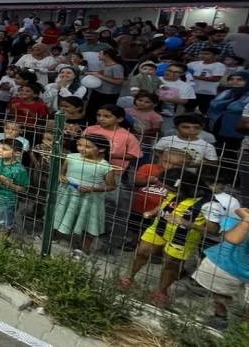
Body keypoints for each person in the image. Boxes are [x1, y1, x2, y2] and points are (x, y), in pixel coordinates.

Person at [121, 172, 220, 307]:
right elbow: (164, 204)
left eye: (169, 188)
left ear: (184, 187)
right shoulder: (173, 192)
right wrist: (153, 212)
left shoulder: (210, 204)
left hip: (182, 238)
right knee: (141, 252)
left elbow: (213, 230)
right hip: (158, 228)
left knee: (170, 264)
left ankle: (161, 292)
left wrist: (186, 223)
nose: (165, 190)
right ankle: (128, 278)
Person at [51, 134, 116, 255]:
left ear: (101, 149)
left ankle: (84, 250)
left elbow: (112, 186)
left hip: (90, 199)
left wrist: (93, 189)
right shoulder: (71, 157)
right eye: (79, 145)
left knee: (88, 222)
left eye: (88, 147)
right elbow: (62, 172)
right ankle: (53, 237)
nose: (81, 149)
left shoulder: (105, 166)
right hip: (68, 194)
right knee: (60, 214)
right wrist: (62, 177)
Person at [192, 206, 249, 328]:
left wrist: (246, 218)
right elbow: (227, 234)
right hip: (224, 264)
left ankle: (241, 330)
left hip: (229, 265)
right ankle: (222, 315)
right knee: (217, 292)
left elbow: (233, 238)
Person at [188, 47, 227, 114]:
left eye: (206, 54)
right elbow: (182, 69)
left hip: (207, 93)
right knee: (188, 110)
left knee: (204, 112)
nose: (202, 55)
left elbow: (215, 79)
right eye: (201, 53)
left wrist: (194, 76)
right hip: (192, 92)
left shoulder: (219, 65)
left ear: (215, 55)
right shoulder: (194, 64)